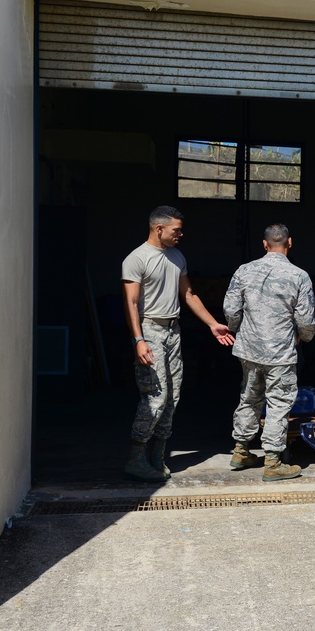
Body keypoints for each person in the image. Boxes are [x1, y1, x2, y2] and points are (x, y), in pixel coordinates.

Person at [121, 205, 234, 482]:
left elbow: (189, 294)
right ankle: (136, 459)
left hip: (173, 331)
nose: (181, 234)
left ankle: (157, 456)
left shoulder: (177, 256)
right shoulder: (136, 259)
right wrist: (138, 340)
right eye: (176, 230)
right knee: (155, 397)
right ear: (159, 228)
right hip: (150, 330)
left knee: (172, 398)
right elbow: (131, 303)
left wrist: (212, 323)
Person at [223, 224, 315, 482]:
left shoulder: (244, 271)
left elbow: (231, 309)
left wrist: (237, 330)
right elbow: (306, 319)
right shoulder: (299, 276)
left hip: (249, 349)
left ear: (264, 245)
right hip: (280, 351)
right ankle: (273, 461)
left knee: (249, 396)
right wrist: (303, 337)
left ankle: (241, 450)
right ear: (290, 243)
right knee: (278, 402)